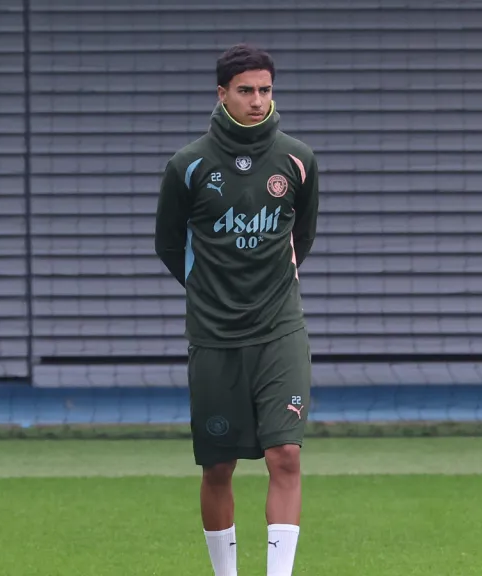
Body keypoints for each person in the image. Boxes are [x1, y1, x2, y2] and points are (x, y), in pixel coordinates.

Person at [154, 43, 320, 576]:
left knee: (285, 455)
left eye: (265, 90)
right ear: (221, 93)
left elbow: (303, 236)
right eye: (245, 90)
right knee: (219, 467)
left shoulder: (298, 159)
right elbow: (168, 244)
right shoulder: (188, 165)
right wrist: (211, 290)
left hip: (280, 327)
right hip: (215, 334)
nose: (256, 100)